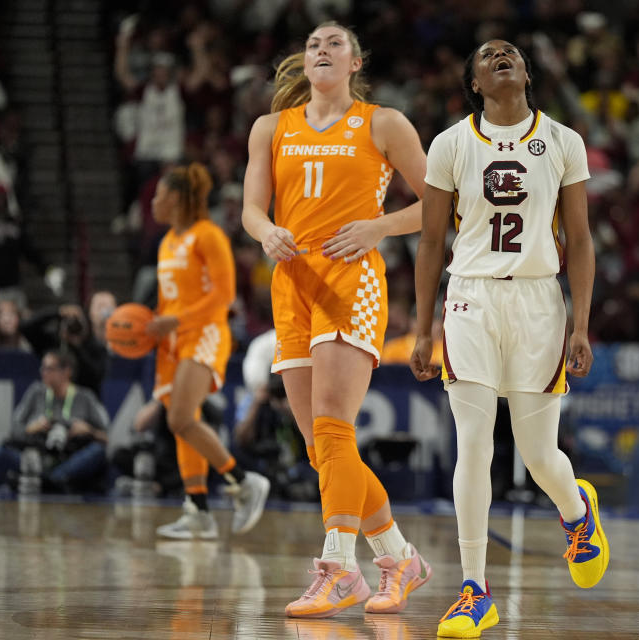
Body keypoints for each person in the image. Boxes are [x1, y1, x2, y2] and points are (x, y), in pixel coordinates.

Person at [410, 39, 610, 638]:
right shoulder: (449, 144)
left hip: (538, 300)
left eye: (511, 53)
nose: (501, 56)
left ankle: (577, 509)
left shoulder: (564, 142)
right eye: (486, 55)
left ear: (526, 73)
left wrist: (580, 323)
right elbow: (428, 242)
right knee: (473, 444)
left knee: (538, 457)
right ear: (474, 81)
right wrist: (422, 327)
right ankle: (474, 589)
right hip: (470, 295)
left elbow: (579, 238)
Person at [241, 22, 431, 618]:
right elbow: (250, 207)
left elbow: (440, 204)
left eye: (335, 44)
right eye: (314, 44)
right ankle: (400, 558)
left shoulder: (383, 122)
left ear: (355, 63)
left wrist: (380, 226)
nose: (321, 50)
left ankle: (339, 566)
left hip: (352, 276)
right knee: (323, 449)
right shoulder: (272, 127)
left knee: (332, 430)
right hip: (291, 281)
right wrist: (266, 230)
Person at [148, 162, 270, 539]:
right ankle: (197, 509)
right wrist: (150, 326)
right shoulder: (167, 241)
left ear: (178, 199)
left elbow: (224, 295)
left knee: (180, 419)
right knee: (184, 424)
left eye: (160, 195)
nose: (153, 202)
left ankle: (243, 481)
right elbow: (170, 299)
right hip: (173, 342)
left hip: (204, 333)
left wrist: (176, 320)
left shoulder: (209, 235)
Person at [3, 350, 110, 493]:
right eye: (43, 368)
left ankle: (46, 480)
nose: (43, 373)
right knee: (1, 450)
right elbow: (13, 429)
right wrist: (30, 429)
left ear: (67, 372)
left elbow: (107, 437)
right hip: (40, 453)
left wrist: (90, 431)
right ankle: (56, 482)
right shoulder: (36, 392)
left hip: (70, 456)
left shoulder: (85, 397)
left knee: (97, 452)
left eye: (49, 368)